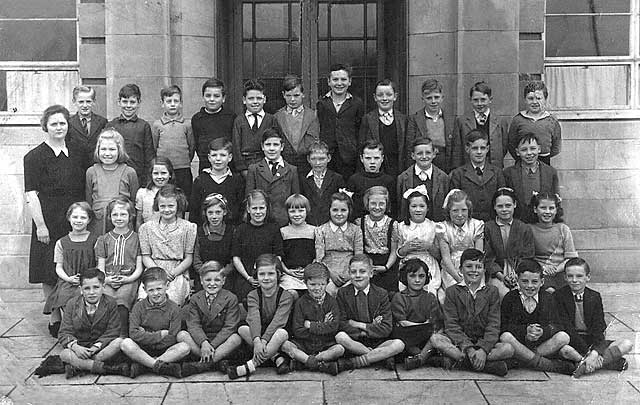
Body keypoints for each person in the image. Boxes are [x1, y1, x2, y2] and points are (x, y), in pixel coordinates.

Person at [24, 105, 86, 337]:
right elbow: (31, 194)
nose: (59, 127)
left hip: (75, 217)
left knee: (74, 264)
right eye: (54, 124)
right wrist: (40, 225)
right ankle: (55, 316)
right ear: (45, 127)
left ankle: (74, 314)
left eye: (62, 123)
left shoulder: (78, 152)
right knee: (48, 268)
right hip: (48, 219)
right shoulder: (34, 156)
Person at [432, 248, 513, 376]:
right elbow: (451, 325)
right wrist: (468, 348)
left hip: (483, 341)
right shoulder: (452, 291)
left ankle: (461, 362)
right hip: (461, 344)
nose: (474, 271)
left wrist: (483, 350)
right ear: (460, 269)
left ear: (484, 270)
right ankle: (486, 366)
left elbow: (494, 324)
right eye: (469, 266)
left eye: (478, 267)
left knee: (508, 349)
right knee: (436, 339)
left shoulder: (492, 291)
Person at [554, 258, 633, 378]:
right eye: (570, 276)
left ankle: (583, 365)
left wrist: (595, 352)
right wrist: (589, 354)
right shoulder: (558, 296)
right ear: (565, 277)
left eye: (579, 276)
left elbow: (599, 328)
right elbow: (567, 328)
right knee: (565, 351)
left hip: (591, 340)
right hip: (572, 341)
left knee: (627, 344)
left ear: (588, 277)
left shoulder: (594, 296)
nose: (574, 280)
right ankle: (603, 363)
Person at [499, 259, 575, 375]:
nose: (530, 286)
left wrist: (542, 331)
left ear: (542, 282)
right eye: (524, 281)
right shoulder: (510, 298)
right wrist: (525, 331)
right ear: (517, 281)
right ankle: (543, 364)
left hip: (541, 346)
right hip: (519, 342)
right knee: (506, 337)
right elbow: (504, 327)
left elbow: (558, 325)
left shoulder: (548, 298)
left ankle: (522, 360)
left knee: (563, 337)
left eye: (534, 282)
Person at [334, 254, 405, 372]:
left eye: (362, 271)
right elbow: (341, 323)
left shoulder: (381, 294)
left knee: (399, 344)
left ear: (371, 273)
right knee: (340, 337)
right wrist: (365, 331)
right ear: (349, 273)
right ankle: (378, 357)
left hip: (378, 341)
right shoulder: (343, 293)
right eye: (353, 272)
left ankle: (356, 362)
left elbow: (386, 327)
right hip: (354, 341)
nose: (357, 276)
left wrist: (359, 325)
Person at [228, 254, 294, 379]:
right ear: (256, 275)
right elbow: (254, 318)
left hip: (277, 332)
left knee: (281, 333)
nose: (266, 278)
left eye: (271, 274)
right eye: (262, 274)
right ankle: (276, 357)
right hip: (260, 331)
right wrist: (257, 340)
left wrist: (262, 341)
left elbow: (278, 322)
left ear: (278, 274)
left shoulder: (286, 296)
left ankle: (251, 365)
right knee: (242, 329)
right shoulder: (253, 295)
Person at [58, 268, 129, 378]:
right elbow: (64, 332)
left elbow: (113, 330)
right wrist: (76, 347)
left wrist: (96, 346)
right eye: (87, 288)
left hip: (100, 348)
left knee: (119, 342)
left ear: (103, 287)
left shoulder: (110, 303)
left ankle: (83, 365)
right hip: (80, 348)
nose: (92, 292)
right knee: (65, 354)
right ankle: (105, 368)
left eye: (96, 287)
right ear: (81, 289)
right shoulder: (72, 304)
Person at [121, 267, 190, 378]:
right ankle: (158, 365)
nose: (156, 293)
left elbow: (172, 337)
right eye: (151, 290)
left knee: (184, 347)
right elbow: (133, 333)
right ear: (144, 289)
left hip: (166, 350)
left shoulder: (174, 308)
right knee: (126, 343)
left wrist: (145, 334)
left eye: (159, 288)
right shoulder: (138, 307)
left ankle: (145, 365)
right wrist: (159, 335)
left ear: (167, 286)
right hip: (143, 349)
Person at [177, 261, 243, 376]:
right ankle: (216, 362)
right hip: (201, 340)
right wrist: (204, 343)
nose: (212, 284)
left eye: (217, 280)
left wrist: (211, 346)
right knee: (181, 335)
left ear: (223, 281)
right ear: (201, 281)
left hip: (221, 341)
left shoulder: (231, 298)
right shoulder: (195, 298)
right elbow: (194, 325)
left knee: (236, 338)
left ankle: (202, 365)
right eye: (208, 280)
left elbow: (229, 327)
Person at [280, 262, 345, 375]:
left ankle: (305, 362)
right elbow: (298, 330)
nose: (317, 288)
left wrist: (311, 325)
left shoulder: (332, 302)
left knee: (339, 349)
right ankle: (319, 364)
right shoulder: (301, 303)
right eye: (312, 284)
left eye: (321, 284)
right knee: (285, 345)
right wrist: (323, 325)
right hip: (304, 344)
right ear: (305, 283)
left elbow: (334, 328)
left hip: (324, 344)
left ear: (327, 283)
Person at [43, 202, 98, 332]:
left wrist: (88, 279)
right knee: (65, 298)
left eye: (83, 217)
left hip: (89, 280)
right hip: (68, 281)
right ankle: (70, 326)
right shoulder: (61, 242)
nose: (78, 221)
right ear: (69, 218)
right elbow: (59, 267)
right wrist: (68, 278)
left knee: (87, 299)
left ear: (89, 219)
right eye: (75, 217)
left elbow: (98, 264)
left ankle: (84, 327)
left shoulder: (95, 240)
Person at [138, 184, 196, 306]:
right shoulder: (146, 228)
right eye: (162, 206)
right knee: (146, 300)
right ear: (157, 206)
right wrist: (158, 272)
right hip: (153, 269)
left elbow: (188, 257)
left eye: (171, 206)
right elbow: (146, 256)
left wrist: (173, 273)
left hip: (176, 272)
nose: (166, 210)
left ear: (178, 205)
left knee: (171, 301)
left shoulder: (189, 228)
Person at [95, 197, 143, 336]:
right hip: (108, 279)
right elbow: (101, 266)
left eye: (123, 214)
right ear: (109, 217)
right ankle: (105, 335)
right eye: (115, 214)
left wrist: (128, 279)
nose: (119, 218)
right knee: (106, 298)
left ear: (131, 216)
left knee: (122, 300)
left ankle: (122, 336)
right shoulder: (103, 240)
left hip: (129, 279)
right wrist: (106, 280)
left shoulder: (137, 239)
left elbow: (139, 267)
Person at [392, 258, 445, 371]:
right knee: (398, 332)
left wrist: (428, 327)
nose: (417, 280)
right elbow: (402, 322)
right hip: (408, 335)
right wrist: (422, 326)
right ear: (405, 277)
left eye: (421, 276)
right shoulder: (400, 297)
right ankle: (426, 357)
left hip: (425, 337)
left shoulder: (429, 297)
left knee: (435, 333)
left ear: (426, 278)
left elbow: (435, 322)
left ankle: (420, 358)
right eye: (412, 276)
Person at [231, 190, 284, 303]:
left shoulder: (274, 228)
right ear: (248, 209)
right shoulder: (240, 230)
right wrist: (248, 278)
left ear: (266, 209)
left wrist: (268, 276)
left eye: (262, 208)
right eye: (254, 208)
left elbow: (278, 256)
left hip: (269, 276)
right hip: (247, 277)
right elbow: (236, 257)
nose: (258, 212)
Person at [85, 129, 139, 234]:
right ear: (98, 150)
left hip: (122, 223)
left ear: (120, 150)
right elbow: (89, 201)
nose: (107, 153)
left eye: (112, 149)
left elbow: (133, 202)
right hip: (98, 223)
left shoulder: (129, 172)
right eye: (103, 149)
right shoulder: (91, 172)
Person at [316, 63, 365, 180]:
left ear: (350, 81)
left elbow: (360, 130)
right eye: (335, 79)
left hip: (349, 157)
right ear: (329, 82)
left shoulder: (357, 104)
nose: (339, 83)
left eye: (343, 79)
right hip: (328, 156)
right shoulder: (322, 104)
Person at [484, 187, 534, 298]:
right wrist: (501, 276)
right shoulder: (488, 228)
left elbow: (528, 256)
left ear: (515, 205)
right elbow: (488, 258)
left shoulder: (524, 228)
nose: (504, 209)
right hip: (497, 273)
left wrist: (517, 274)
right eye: (500, 206)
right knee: (501, 293)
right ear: (494, 207)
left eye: (508, 205)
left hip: (520, 272)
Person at [245, 128, 300, 227]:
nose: (271, 149)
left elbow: (295, 200)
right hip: (261, 222)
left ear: (282, 147)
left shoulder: (292, 170)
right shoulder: (254, 169)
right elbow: (249, 199)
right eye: (268, 145)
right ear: (262, 146)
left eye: (275, 145)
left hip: (283, 222)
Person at [395, 186, 442, 302]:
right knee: (405, 290)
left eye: (422, 206)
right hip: (408, 263)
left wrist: (429, 247)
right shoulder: (401, 226)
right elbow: (398, 253)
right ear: (408, 208)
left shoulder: (434, 226)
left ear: (427, 208)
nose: (418, 210)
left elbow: (439, 255)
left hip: (428, 262)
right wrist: (406, 248)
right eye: (414, 206)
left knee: (430, 289)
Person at [449, 129, 506, 221]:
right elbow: (455, 202)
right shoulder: (458, 174)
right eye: (475, 148)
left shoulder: (497, 173)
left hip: (492, 221)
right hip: (468, 223)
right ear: (467, 149)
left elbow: (502, 199)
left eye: (482, 148)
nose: (479, 152)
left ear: (487, 149)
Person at [450, 81, 509, 169]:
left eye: (483, 100)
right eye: (476, 100)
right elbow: (457, 150)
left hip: (494, 168)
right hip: (469, 167)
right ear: (470, 100)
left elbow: (504, 147)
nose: (480, 104)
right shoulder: (461, 121)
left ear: (490, 99)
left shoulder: (500, 121)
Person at [314, 192, 364, 296]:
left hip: (352, 273)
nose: (339, 214)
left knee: (352, 291)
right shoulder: (321, 230)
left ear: (349, 211)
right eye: (335, 210)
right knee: (329, 290)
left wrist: (351, 274)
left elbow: (359, 256)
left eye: (343, 210)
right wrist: (330, 274)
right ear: (329, 210)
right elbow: (319, 259)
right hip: (328, 272)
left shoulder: (356, 230)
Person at [503, 133, 559, 222]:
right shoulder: (508, 173)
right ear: (517, 152)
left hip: (542, 223)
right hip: (518, 222)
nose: (529, 153)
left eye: (533, 149)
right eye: (524, 150)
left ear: (539, 149)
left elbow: (555, 200)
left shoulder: (550, 172)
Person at [358, 79, 408, 176]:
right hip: (376, 172)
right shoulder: (367, 119)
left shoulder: (403, 120)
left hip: (398, 169)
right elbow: (361, 147)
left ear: (395, 96)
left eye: (389, 95)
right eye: (380, 95)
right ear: (375, 97)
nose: (384, 98)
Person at [151, 85, 194, 198]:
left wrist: (185, 161)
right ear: (162, 103)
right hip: (164, 169)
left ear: (181, 103)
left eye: (176, 101)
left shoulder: (187, 124)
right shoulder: (157, 125)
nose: (172, 104)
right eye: (169, 101)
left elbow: (191, 146)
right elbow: (154, 147)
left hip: (183, 168)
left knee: (184, 196)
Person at [107, 83, 155, 185]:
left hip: (138, 177)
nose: (128, 106)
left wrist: (147, 182)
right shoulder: (111, 125)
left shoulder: (144, 126)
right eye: (125, 102)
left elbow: (149, 156)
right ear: (119, 102)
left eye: (132, 102)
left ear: (139, 103)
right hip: (114, 176)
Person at [529, 192, 577, 293]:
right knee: (550, 290)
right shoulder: (529, 229)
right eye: (543, 208)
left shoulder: (563, 229)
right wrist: (543, 268)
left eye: (551, 208)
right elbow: (527, 257)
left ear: (556, 210)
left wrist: (556, 269)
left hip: (561, 270)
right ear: (535, 209)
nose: (547, 212)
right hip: (539, 271)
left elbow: (570, 258)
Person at [189, 138, 245, 225]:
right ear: (209, 158)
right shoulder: (200, 181)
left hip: (231, 231)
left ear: (230, 157)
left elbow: (240, 210)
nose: (218, 159)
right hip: (205, 232)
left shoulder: (237, 180)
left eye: (223, 155)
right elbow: (194, 211)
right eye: (214, 155)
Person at [354, 186, 398, 294]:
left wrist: (386, 267)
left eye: (381, 204)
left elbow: (394, 251)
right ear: (367, 204)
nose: (377, 207)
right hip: (366, 263)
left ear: (386, 205)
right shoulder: (360, 222)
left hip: (386, 265)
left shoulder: (393, 224)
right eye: (373, 203)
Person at [437, 189, 484, 290]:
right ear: (448, 211)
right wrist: (459, 278)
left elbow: (478, 256)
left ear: (469, 210)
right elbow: (446, 259)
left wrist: (472, 274)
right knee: (455, 291)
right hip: (452, 269)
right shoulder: (443, 228)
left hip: (474, 267)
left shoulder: (476, 225)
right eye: (455, 210)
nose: (459, 214)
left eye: (463, 210)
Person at [232, 79, 281, 176]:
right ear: (244, 100)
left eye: (259, 98)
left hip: (266, 166)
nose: (255, 102)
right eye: (251, 98)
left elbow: (277, 143)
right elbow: (236, 147)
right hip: (245, 167)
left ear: (265, 99)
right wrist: (243, 169)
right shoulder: (239, 120)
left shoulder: (271, 119)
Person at [274, 74, 320, 175]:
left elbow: (313, 139)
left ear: (303, 94)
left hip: (306, 163)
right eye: (289, 96)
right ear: (283, 95)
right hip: (285, 163)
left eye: (296, 95)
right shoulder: (277, 116)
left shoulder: (312, 115)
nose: (292, 100)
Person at [507, 81, 561, 166]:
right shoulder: (518, 120)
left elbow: (556, 147)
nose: (534, 102)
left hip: (544, 161)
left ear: (545, 99)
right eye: (531, 98)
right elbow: (511, 144)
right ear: (525, 99)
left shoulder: (552, 120)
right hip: (522, 161)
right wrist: (523, 156)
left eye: (539, 98)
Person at [397, 137, 449, 222]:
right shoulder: (403, 178)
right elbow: (400, 207)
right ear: (413, 156)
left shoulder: (443, 178)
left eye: (428, 153)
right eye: (419, 153)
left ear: (434, 154)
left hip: (436, 227)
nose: (424, 157)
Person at [406, 79, 452, 172]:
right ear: (423, 99)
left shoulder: (451, 119)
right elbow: (409, 146)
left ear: (442, 98)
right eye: (429, 98)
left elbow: (456, 148)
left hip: (445, 162)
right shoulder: (414, 119)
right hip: (423, 161)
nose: (433, 101)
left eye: (436, 97)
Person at [192, 78, 236, 173]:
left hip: (227, 166)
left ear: (223, 98)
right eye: (208, 96)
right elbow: (196, 143)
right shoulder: (197, 119)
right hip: (205, 164)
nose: (212, 99)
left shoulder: (231, 117)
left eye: (216, 96)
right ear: (203, 97)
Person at [192, 194, 235, 292]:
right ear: (205, 213)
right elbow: (196, 259)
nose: (214, 216)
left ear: (224, 212)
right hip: (204, 278)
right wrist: (206, 274)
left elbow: (233, 260)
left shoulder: (232, 231)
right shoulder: (199, 232)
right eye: (210, 213)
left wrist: (221, 274)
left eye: (218, 212)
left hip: (225, 277)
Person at [346, 141, 397, 219]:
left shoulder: (389, 181)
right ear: (361, 158)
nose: (372, 162)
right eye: (368, 158)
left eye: (376, 158)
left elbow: (392, 209)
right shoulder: (354, 180)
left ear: (382, 158)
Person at [300, 141, 345, 226]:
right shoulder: (303, 179)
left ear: (329, 158)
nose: (317, 163)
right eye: (314, 159)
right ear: (308, 159)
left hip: (331, 224)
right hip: (309, 224)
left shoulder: (337, 178)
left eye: (321, 159)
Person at [279, 194, 316, 298]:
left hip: (310, 273)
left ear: (307, 211)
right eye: (292, 211)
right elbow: (279, 256)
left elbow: (318, 255)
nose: (297, 214)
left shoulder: (314, 230)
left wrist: (309, 270)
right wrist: (287, 271)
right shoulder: (283, 232)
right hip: (289, 275)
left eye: (300, 211)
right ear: (287, 212)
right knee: (291, 294)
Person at [67, 85, 107, 163]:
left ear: (94, 101)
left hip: (96, 165)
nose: (85, 105)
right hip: (75, 165)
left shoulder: (102, 122)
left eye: (88, 101)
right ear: (74, 102)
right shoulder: (69, 123)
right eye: (81, 102)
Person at [135, 156, 174, 229]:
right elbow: (139, 221)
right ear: (151, 174)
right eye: (156, 173)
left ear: (170, 175)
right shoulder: (142, 193)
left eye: (163, 173)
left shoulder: (175, 193)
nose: (159, 177)